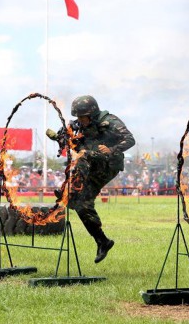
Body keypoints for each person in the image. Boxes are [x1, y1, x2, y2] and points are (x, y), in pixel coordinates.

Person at [48, 95, 135, 263]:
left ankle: (70, 188)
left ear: (93, 114)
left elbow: (130, 139)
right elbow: (69, 138)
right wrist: (59, 137)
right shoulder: (78, 125)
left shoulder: (110, 121)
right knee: (81, 204)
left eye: (83, 117)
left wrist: (112, 149)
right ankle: (102, 241)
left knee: (83, 155)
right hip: (91, 164)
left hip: (108, 165)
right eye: (78, 117)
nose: (81, 120)